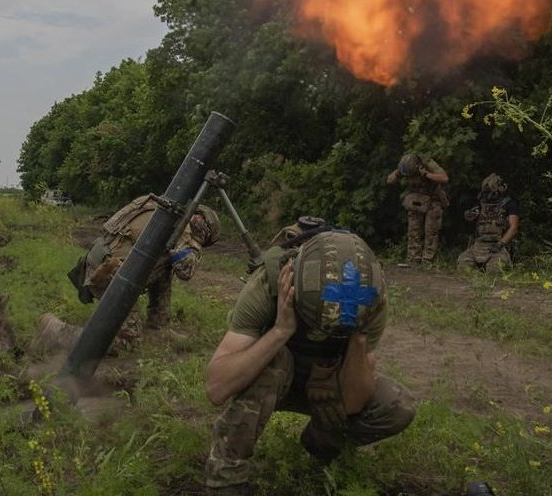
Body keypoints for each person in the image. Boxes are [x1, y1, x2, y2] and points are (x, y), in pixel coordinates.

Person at [204, 230, 416, 495]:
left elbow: (353, 403)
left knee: (397, 406)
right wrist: (280, 331)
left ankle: (319, 452)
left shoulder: (370, 299)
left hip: (329, 385)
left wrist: (359, 337)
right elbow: (217, 387)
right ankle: (226, 480)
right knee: (273, 360)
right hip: (275, 381)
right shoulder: (271, 283)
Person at [60, 194, 221, 353]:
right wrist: (196, 242)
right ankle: (58, 332)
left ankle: (157, 327)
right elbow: (186, 271)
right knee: (128, 341)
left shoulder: (159, 206)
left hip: (102, 261)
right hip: (110, 275)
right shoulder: (180, 227)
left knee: (166, 266)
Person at [386, 152, 449, 266]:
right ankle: (413, 259)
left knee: (431, 231)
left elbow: (444, 178)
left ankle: (427, 261)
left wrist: (426, 174)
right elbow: (389, 180)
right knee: (413, 230)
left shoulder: (428, 163)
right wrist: (397, 173)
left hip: (433, 199)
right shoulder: (405, 166)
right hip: (416, 199)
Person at [456, 173, 520, 273]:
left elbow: (514, 228)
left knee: (494, 270)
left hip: (499, 247)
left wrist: (501, 244)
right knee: (463, 266)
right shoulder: (479, 204)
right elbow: (469, 225)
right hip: (478, 246)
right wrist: (469, 217)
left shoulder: (509, 204)